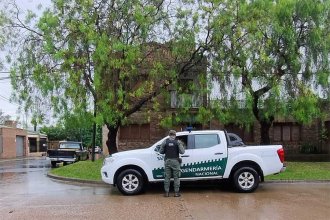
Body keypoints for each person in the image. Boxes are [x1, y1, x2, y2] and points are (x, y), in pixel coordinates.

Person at [159, 130, 185, 197]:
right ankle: (176, 193)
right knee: (176, 177)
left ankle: (166, 193)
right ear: (175, 135)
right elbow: (182, 152)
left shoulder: (165, 141)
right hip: (175, 161)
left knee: (167, 177)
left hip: (167, 161)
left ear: (169, 135)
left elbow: (161, 151)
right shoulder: (177, 142)